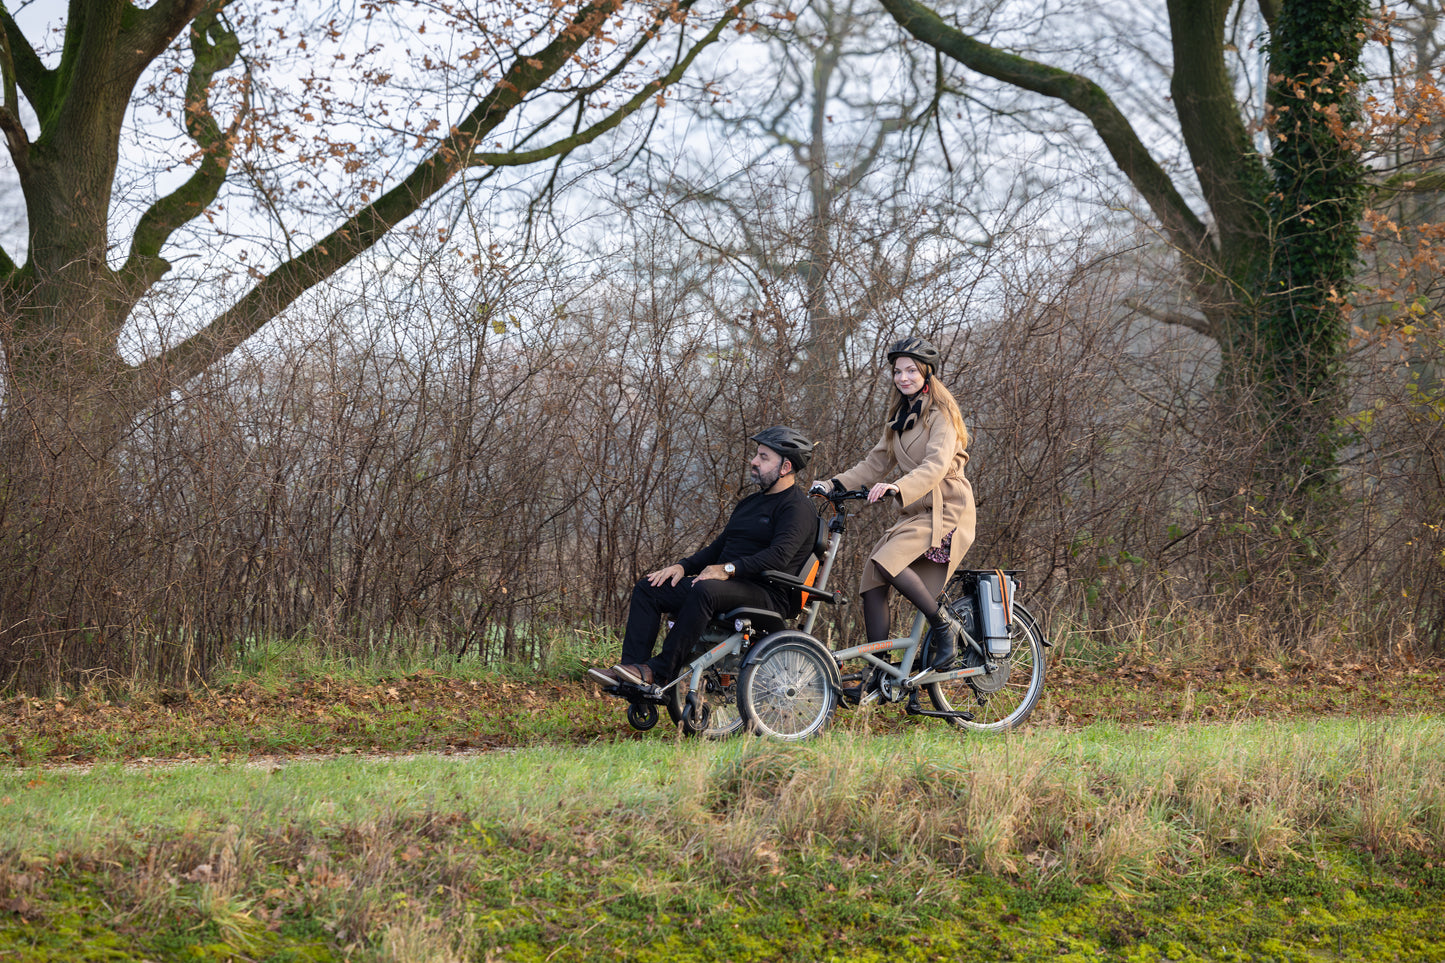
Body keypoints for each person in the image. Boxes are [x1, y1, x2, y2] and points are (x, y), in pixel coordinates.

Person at [589, 426, 818, 688]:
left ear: (786, 466)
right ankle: (631, 673)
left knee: (706, 590)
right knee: (649, 588)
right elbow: (718, 548)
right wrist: (681, 567)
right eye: (757, 455)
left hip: (769, 593)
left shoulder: (798, 508)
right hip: (728, 585)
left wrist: (728, 570)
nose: (753, 462)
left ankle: (660, 672)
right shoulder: (749, 504)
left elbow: (779, 556)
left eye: (763, 457)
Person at [810, 336, 976, 669]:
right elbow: (873, 464)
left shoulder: (942, 414)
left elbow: (936, 465)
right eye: (897, 371)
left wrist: (896, 487)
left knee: (888, 560)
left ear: (927, 374)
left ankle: (945, 627)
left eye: (911, 370)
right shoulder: (899, 419)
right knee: (872, 579)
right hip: (916, 512)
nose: (903, 377)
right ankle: (880, 670)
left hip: (946, 510)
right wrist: (832, 484)